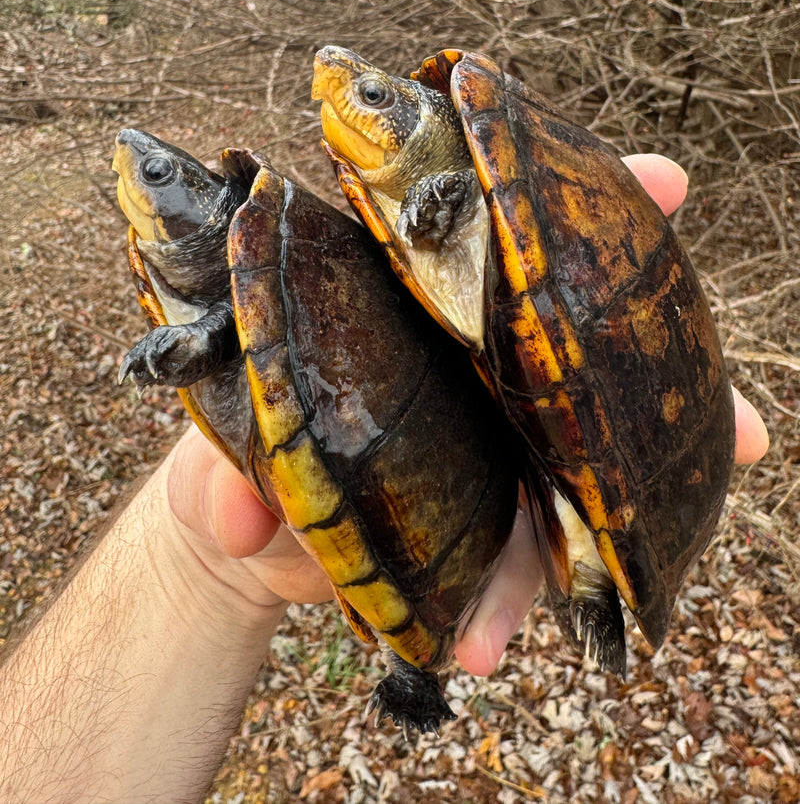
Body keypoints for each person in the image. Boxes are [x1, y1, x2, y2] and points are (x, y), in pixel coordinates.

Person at [0, 156, 769, 804]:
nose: (140, 162)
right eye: (161, 171)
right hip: (405, 486)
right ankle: (419, 666)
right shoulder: (267, 252)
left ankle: (444, 653)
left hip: (438, 487)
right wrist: (194, 556)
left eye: (162, 171)